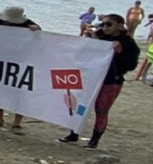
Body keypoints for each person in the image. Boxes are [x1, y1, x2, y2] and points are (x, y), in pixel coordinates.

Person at [59, 14, 139, 148]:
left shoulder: (128, 43)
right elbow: (81, 54)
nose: (105, 27)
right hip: (91, 78)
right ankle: (73, 133)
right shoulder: (98, 36)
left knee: (101, 110)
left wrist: (120, 53)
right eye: (103, 24)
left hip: (111, 81)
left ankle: (94, 140)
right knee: (79, 106)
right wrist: (88, 39)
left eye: (109, 24)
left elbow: (131, 65)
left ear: (120, 25)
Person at [0, 6, 41, 133]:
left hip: (20, 63)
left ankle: (17, 123)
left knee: (19, 92)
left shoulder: (29, 24)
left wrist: (37, 31)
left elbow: (41, 39)